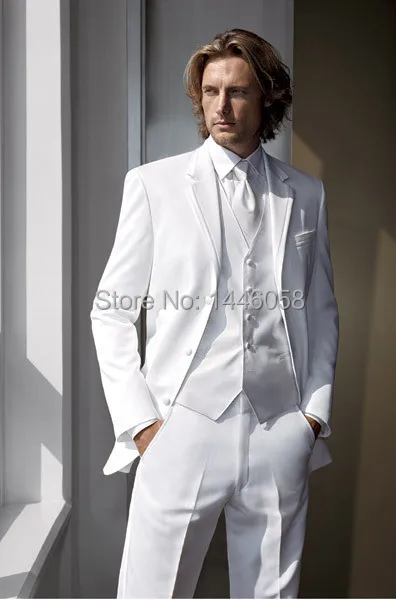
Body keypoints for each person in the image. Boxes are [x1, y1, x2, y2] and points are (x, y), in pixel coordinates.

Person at [90, 27, 339, 599]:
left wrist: (312, 417)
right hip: (182, 427)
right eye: (210, 91)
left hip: (279, 429)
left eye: (237, 91)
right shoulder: (153, 185)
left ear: (267, 98)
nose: (220, 106)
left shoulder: (306, 194)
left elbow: (323, 310)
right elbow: (111, 312)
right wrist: (142, 425)